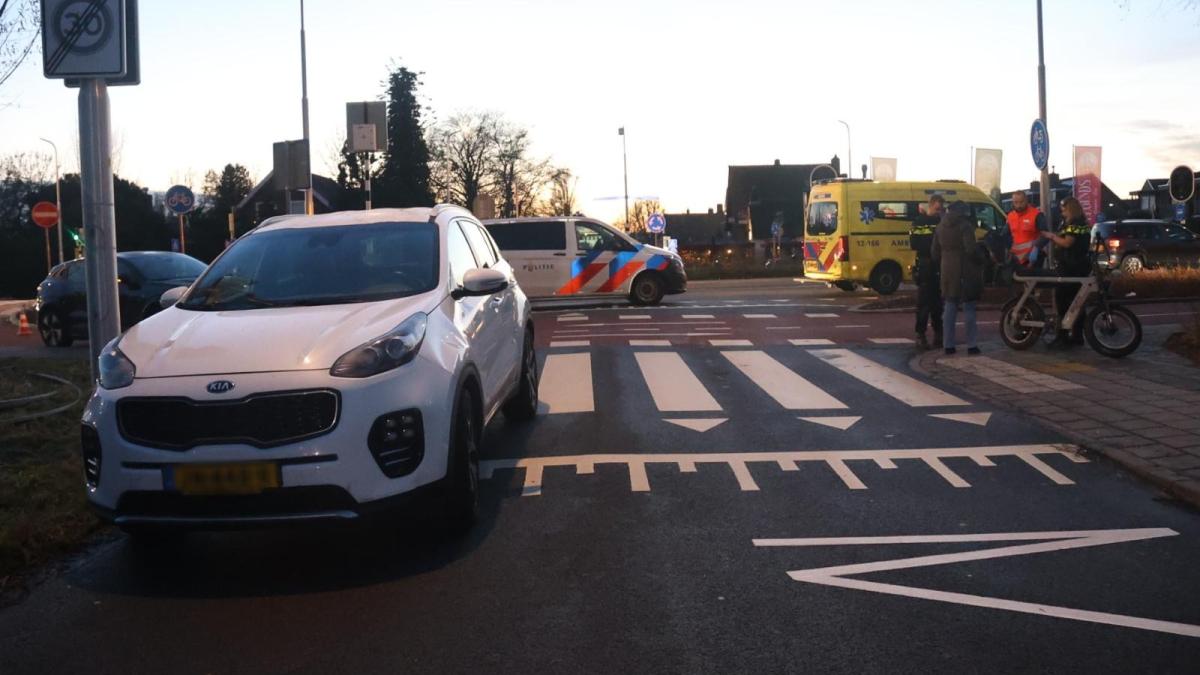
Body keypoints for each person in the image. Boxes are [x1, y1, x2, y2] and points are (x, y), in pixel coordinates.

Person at [931, 201, 985, 355]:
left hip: (947, 269)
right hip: (964, 269)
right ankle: (972, 345)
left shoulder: (940, 227)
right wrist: (981, 258)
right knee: (969, 306)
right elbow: (970, 249)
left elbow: (934, 252)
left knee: (949, 305)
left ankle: (948, 345)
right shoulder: (965, 226)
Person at [1041, 196, 1092, 347]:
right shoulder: (1082, 222)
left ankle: (1063, 337)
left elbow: (1067, 243)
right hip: (1080, 266)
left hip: (1070, 267)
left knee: (1063, 301)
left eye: (1064, 210)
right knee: (1077, 302)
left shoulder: (1074, 224)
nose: (1062, 213)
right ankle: (1077, 336)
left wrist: (1052, 236)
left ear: (1071, 209)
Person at [909, 195, 945, 350]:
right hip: (929, 264)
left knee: (935, 303)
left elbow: (914, 243)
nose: (939, 211)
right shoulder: (936, 223)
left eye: (941, 209)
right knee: (926, 303)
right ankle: (924, 335)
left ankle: (933, 335)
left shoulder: (919, 222)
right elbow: (914, 243)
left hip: (931, 264)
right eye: (937, 208)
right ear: (931, 206)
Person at [1006, 191, 1047, 268]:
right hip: (1016, 258)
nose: (1019, 205)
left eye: (1021, 202)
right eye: (1016, 202)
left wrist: (1036, 248)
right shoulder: (1010, 216)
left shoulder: (1036, 214)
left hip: (1033, 257)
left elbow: (1045, 235)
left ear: (1026, 200)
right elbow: (1005, 234)